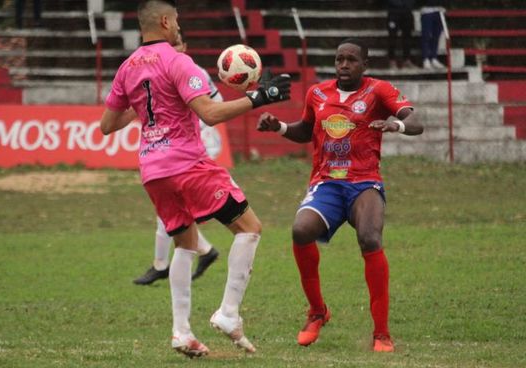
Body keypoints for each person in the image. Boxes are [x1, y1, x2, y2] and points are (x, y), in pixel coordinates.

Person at [99, 0, 290, 358]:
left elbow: (107, 125)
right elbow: (211, 113)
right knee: (250, 228)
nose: (178, 28)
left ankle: (182, 332)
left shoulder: (126, 68)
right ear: (166, 21)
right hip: (187, 164)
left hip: (152, 171)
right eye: (177, 22)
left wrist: (141, 107)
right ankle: (229, 314)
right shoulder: (178, 60)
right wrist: (261, 97)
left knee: (185, 245)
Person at [257, 38, 423, 353]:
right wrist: (277, 126)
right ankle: (317, 311)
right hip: (327, 183)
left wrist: (396, 124)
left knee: (370, 239)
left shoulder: (378, 90)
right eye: (339, 59)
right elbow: (306, 131)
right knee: (300, 230)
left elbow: (417, 122)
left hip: (364, 183)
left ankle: (382, 333)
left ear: (365, 64)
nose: (344, 65)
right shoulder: (317, 93)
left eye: (351, 60)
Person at [133, 31, 221, 286]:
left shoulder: (195, 72)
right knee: (173, 208)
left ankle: (162, 264)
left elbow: (216, 105)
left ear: (185, 46)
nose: (170, 49)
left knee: (171, 208)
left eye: (175, 44)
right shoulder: (158, 75)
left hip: (199, 144)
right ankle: (203, 251)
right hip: (173, 148)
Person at [386, 0, 418, 69]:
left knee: (407, 37)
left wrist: (408, 4)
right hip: (393, 12)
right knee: (392, 37)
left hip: (407, 12)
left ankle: (406, 60)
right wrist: (398, 4)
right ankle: (392, 60)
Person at [419, 0, 447, 69]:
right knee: (426, 35)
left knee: (436, 36)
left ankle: (434, 58)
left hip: (440, 10)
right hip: (426, 10)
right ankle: (425, 59)